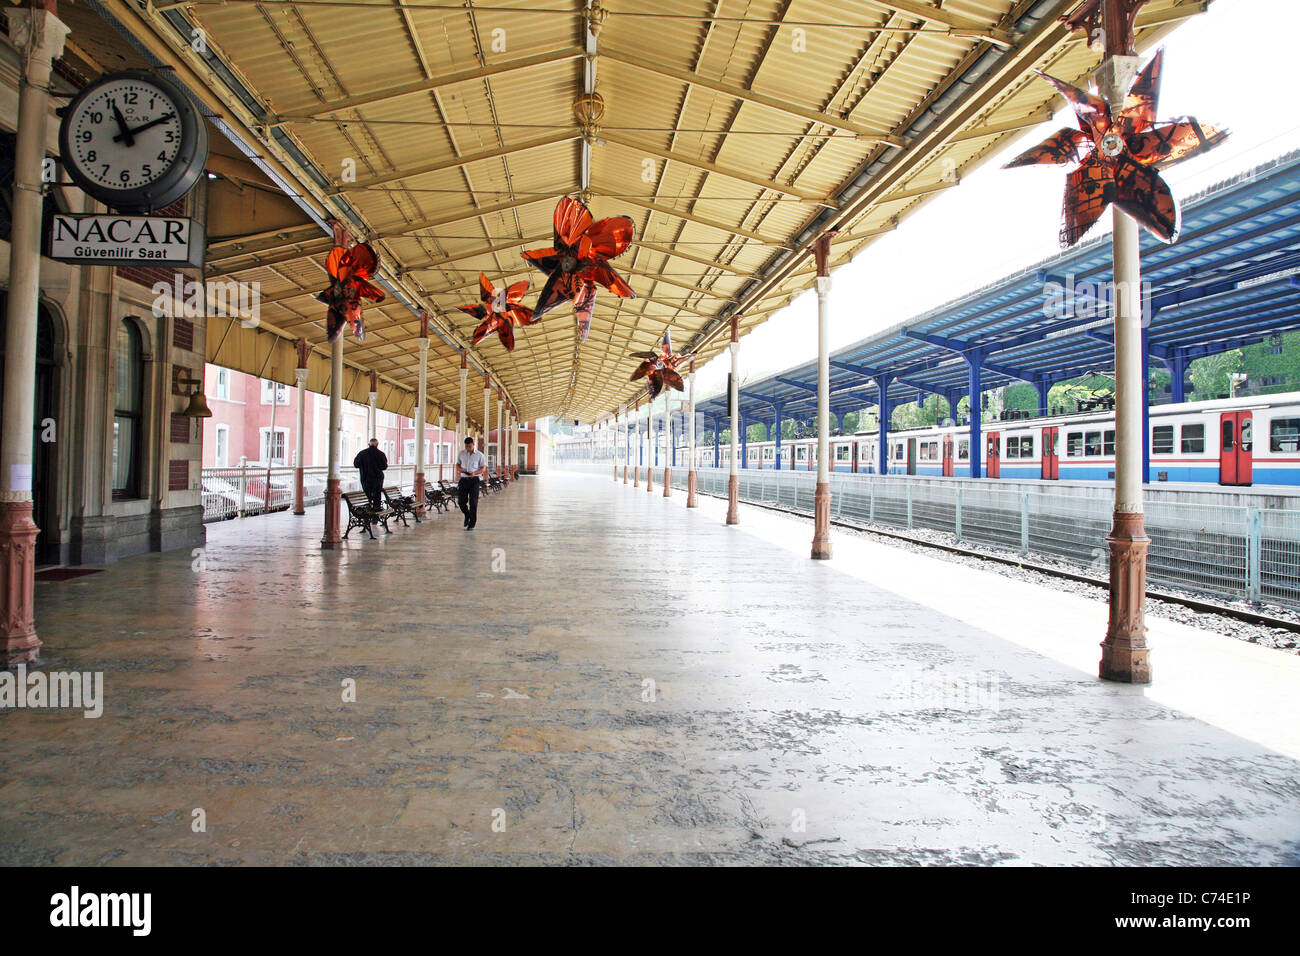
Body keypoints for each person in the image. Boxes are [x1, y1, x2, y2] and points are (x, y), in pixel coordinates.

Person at [456, 436, 487, 530]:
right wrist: (461, 469)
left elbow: (483, 468)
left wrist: (475, 473)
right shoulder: (461, 454)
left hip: (474, 480)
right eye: (466, 446)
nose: (468, 448)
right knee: (461, 501)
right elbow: (457, 465)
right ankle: (467, 514)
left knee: (473, 502)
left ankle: (472, 524)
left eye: (470, 446)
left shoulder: (480, 455)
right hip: (464, 479)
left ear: (473, 445)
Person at [353, 438, 387, 510]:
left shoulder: (362, 453)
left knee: (367, 496)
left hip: (365, 478)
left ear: (369, 444)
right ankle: (376, 514)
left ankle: (367, 513)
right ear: (377, 445)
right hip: (377, 479)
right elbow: (384, 466)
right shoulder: (381, 454)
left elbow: (356, 464)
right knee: (377, 496)